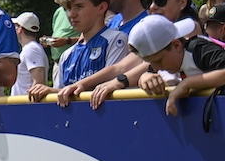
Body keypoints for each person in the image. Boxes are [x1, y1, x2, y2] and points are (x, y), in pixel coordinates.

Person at [89, 14, 225, 116]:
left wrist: (188, 84)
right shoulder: (167, 61)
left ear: (176, 45)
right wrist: (144, 79)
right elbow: (146, 72)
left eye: (158, 61)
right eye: (151, 63)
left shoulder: (199, 49)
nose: (156, 68)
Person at [34, 0, 128, 104]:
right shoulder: (67, 55)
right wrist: (50, 91)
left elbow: (109, 87)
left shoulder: (116, 40)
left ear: (101, 8)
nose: (72, 14)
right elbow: (62, 95)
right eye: (68, 8)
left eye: (79, 6)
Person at [12, 12, 48, 97]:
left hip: (26, 107)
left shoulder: (31, 49)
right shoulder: (32, 48)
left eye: (15, 26)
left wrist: (30, 107)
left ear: (20, 29)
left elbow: (39, 83)